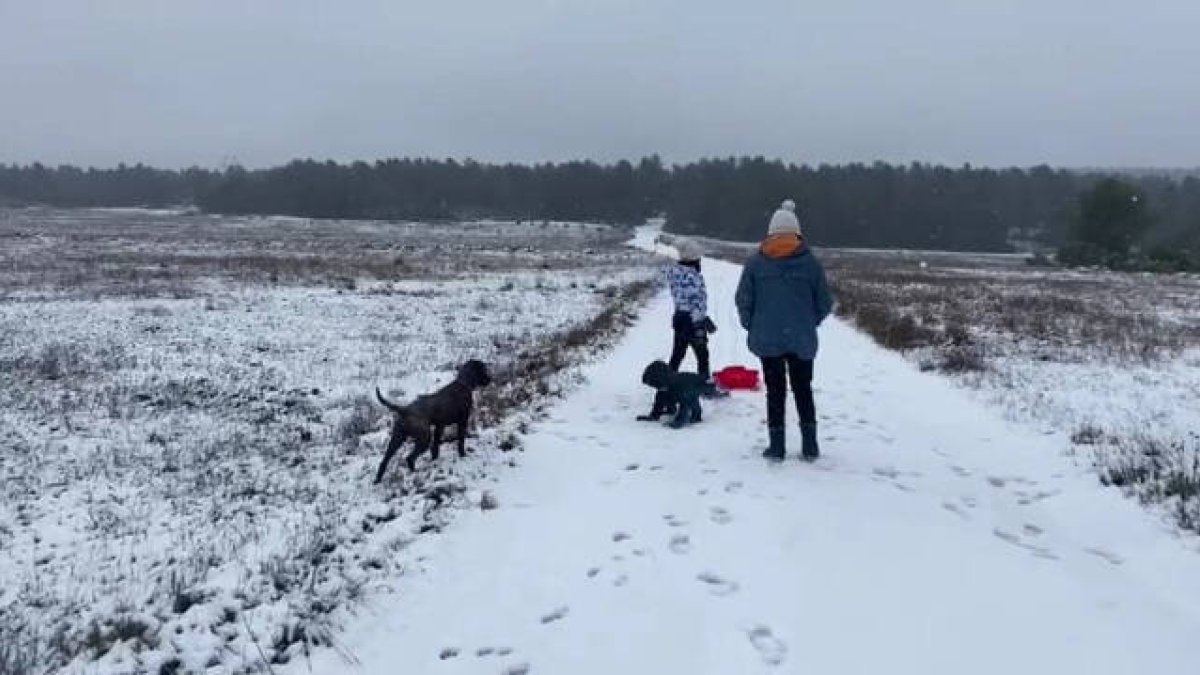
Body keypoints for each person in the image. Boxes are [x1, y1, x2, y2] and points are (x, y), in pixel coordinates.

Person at [735, 199, 833, 462]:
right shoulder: (810, 263)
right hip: (801, 338)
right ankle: (810, 445)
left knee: (775, 390)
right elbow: (825, 302)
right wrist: (807, 321)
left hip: (767, 339)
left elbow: (743, 299)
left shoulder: (756, 263)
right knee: (803, 389)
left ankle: (776, 446)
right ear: (797, 232)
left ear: (770, 232)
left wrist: (752, 324)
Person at [665, 239, 715, 385]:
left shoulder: (675, 272)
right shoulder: (692, 276)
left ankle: (667, 383)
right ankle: (705, 383)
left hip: (680, 318)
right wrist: (701, 320)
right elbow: (696, 300)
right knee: (702, 354)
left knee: (678, 353)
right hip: (693, 321)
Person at [635, 360, 705, 429]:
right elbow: (659, 400)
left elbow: (685, 405)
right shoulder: (666, 386)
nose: (655, 388)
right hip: (680, 384)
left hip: (698, 384)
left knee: (690, 398)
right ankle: (669, 410)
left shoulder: (681, 388)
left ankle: (696, 416)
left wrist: (679, 421)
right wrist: (654, 415)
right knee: (663, 395)